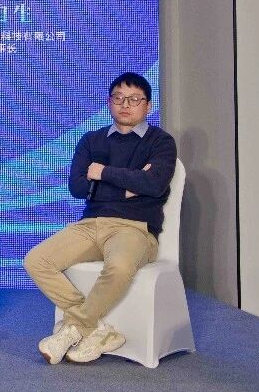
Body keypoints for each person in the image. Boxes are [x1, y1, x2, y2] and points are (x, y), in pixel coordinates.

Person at [24, 72, 176, 364]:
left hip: (135, 228)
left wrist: (103, 173)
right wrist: (130, 185)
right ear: (109, 102)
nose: (125, 105)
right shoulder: (92, 140)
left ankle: (74, 328)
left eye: (134, 99)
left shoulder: (161, 142)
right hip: (90, 224)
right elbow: (78, 188)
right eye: (118, 98)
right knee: (36, 261)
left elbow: (154, 184)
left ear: (148, 105)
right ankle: (96, 330)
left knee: (119, 267)